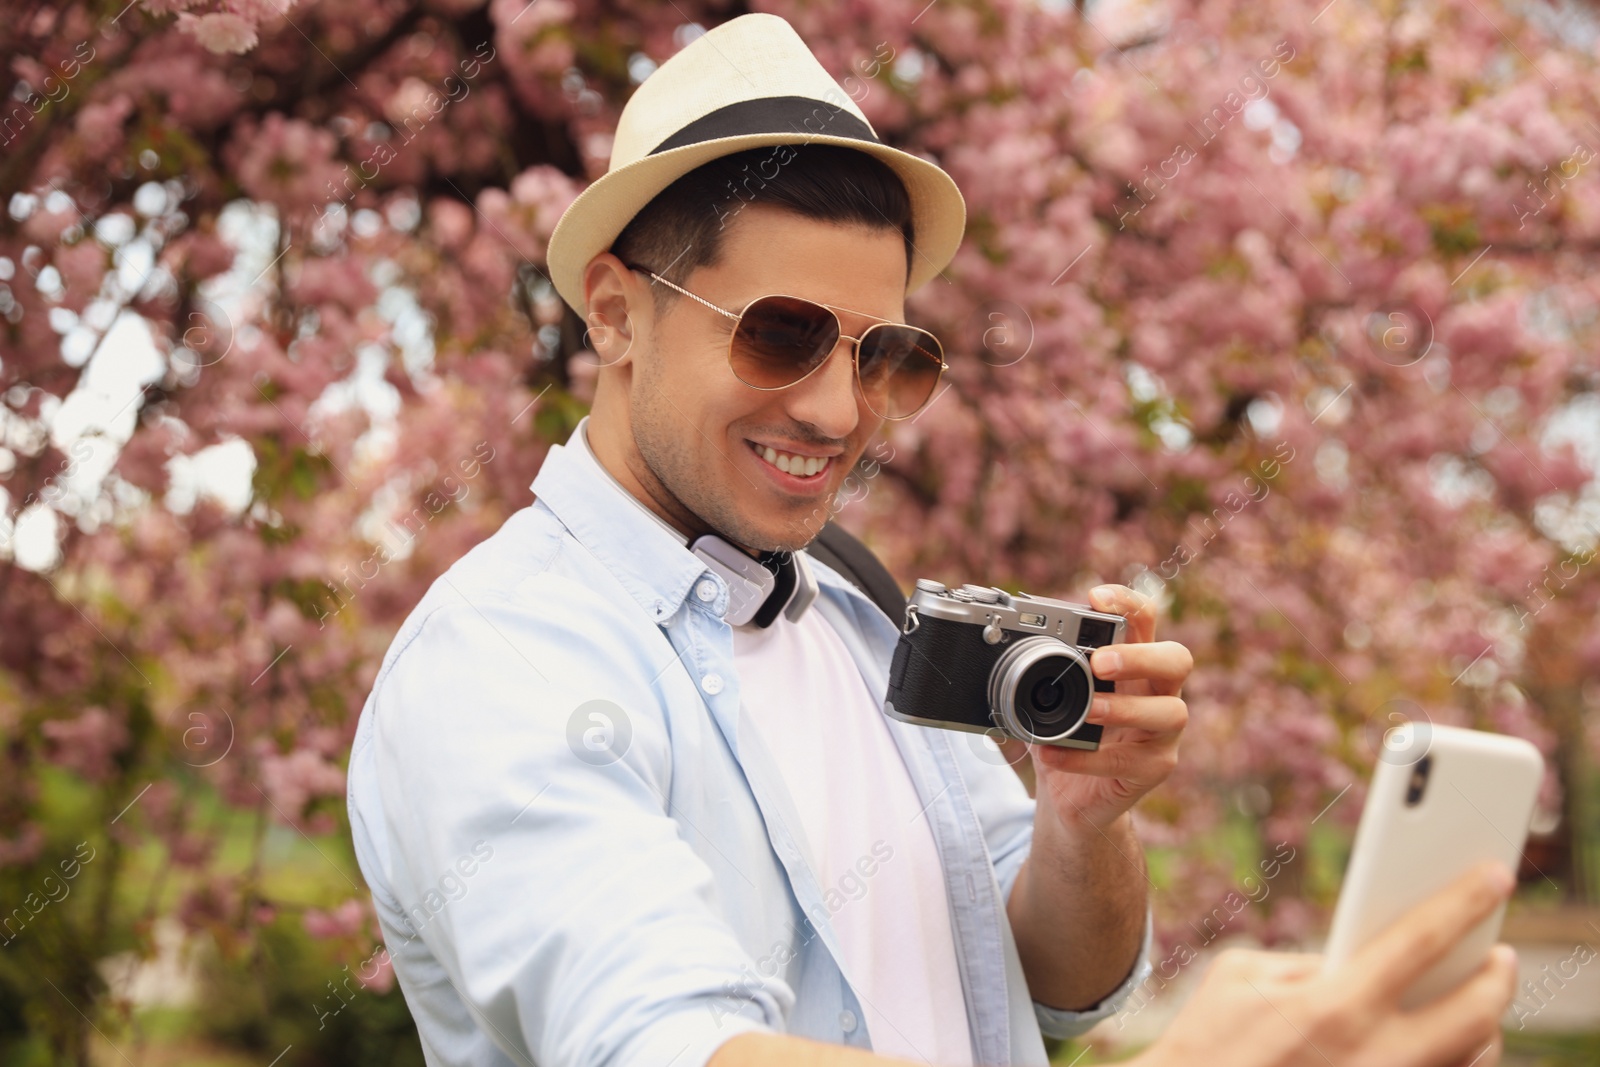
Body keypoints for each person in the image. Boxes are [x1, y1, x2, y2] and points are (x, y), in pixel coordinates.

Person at [345, 13, 1519, 1067]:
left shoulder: (860, 616)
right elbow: (672, 1043)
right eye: (781, 334)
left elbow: (1059, 990)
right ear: (613, 311)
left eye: (884, 356)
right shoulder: (503, 655)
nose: (836, 409)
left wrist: (1083, 818)